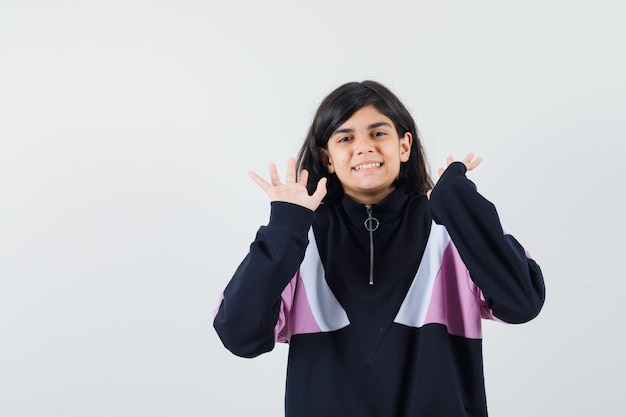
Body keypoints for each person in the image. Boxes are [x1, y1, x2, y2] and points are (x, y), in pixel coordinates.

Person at [213, 80, 545, 417]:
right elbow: (240, 335)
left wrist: (461, 206)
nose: (364, 147)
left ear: (404, 146)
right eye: (345, 138)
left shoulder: (450, 226)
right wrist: (284, 228)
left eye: (378, 133)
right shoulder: (299, 236)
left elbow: (522, 302)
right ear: (327, 158)